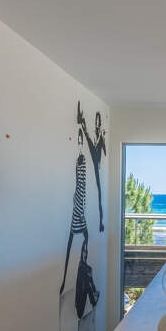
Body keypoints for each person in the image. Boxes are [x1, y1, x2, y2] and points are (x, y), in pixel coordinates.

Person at [59, 133, 89, 294]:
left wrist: (80, 211)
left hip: (79, 206)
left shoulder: (81, 160)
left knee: (78, 241)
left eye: (80, 141)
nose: (80, 144)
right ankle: (65, 280)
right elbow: (80, 189)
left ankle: (75, 273)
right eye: (79, 141)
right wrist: (79, 210)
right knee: (75, 242)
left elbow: (81, 188)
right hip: (78, 206)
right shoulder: (80, 161)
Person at [77, 102, 106, 232]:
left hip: (96, 163)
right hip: (94, 157)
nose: (97, 125)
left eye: (98, 123)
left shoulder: (100, 137)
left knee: (99, 193)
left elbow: (104, 151)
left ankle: (100, 222)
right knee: (87, 137)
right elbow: (93, 142)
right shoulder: (95, 136)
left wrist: (101, 137)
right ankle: (81, 121)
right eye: (96, 122)